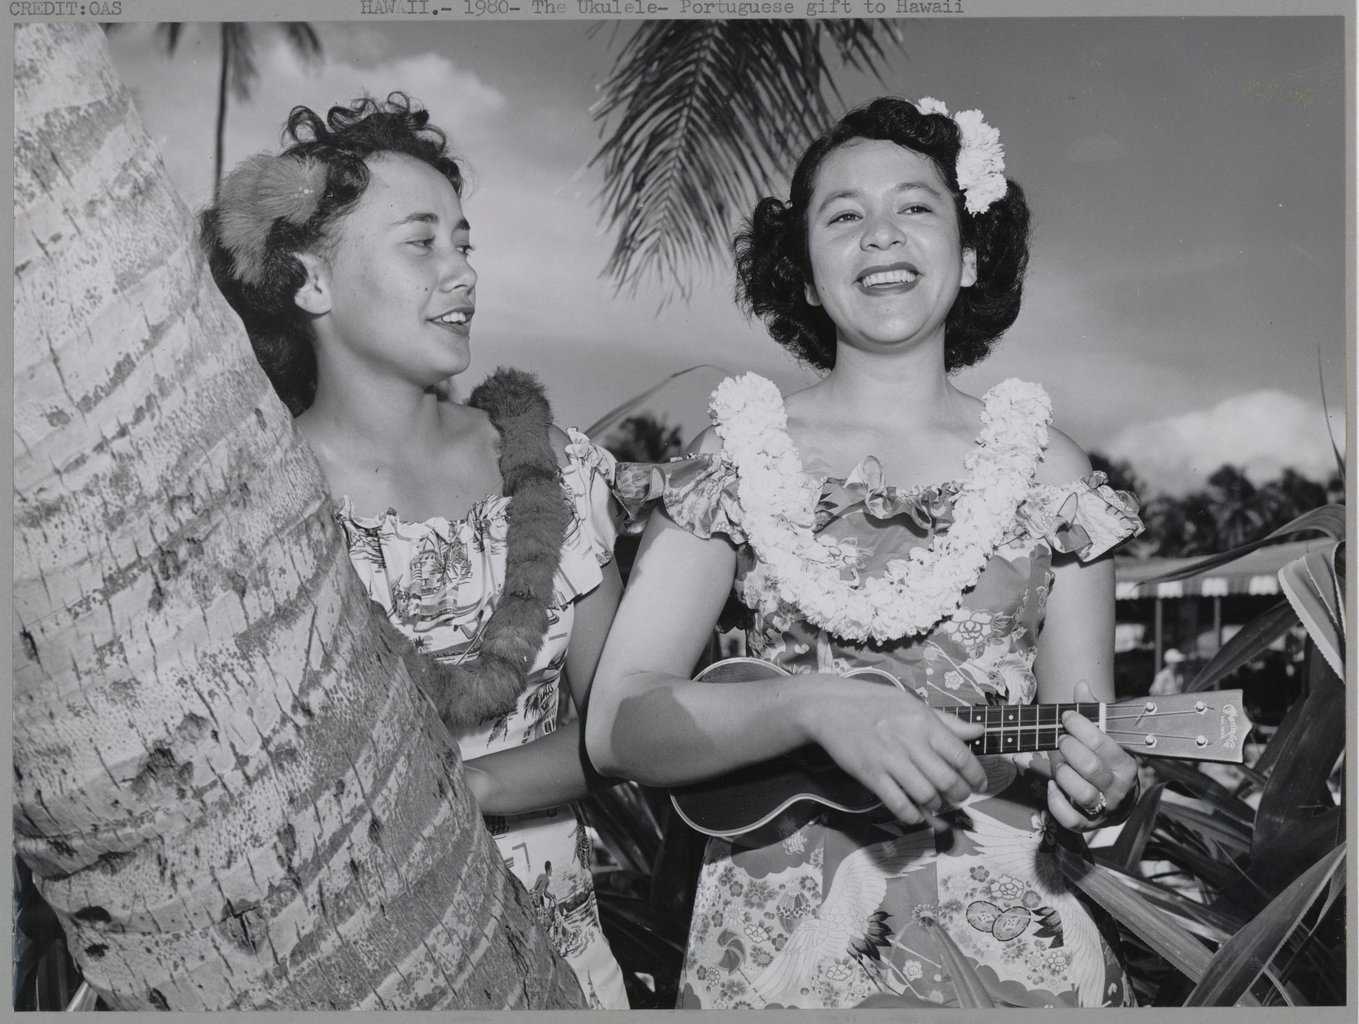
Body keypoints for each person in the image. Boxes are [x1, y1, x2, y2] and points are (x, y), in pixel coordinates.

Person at [587, 97, 1144, 1009]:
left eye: (916, 207)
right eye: (843, 215)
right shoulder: (735, 455)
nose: (880, 235)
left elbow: (1086, 730)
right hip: (778, 950)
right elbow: (618, 728)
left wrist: (1102, 783)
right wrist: (813, 706)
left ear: (968, 257)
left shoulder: (1053, 473)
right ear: (804, 272)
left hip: (1010, 946)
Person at [200, 93, 628, 1009]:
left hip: (554, 966)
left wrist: (457, 789)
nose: (462, 273)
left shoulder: (556, 469)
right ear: (311, 283)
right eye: (421, 242)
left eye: (465, 243)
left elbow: (625, 730)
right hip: (337, 965)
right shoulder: (254, 502)